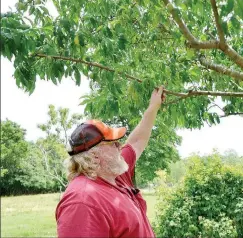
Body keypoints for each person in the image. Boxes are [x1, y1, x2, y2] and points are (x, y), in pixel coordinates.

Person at [56, 86, 166, 237]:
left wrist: (153, 107)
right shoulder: (83, 200)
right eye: (113, 143)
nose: (120, 146)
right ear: (94, 156)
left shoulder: (114, 175)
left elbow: (136, 141)